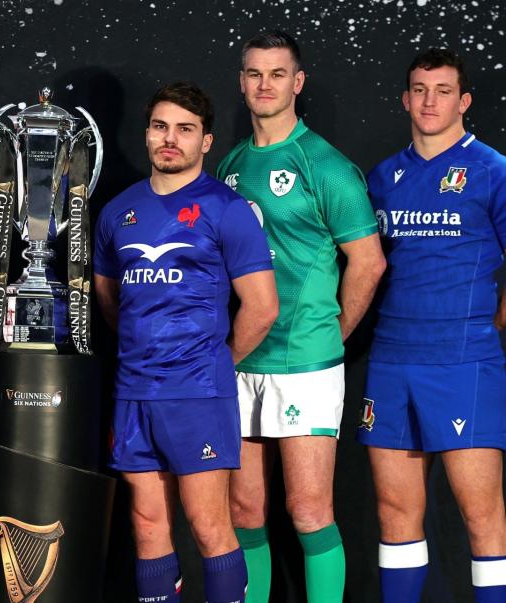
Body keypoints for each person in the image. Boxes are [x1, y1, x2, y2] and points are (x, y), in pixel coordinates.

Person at [216, 30, 386, 603]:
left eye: (278, 74)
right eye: (255, 74)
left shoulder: (326, 166)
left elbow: (368, 261)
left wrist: (329, 337)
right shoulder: (232, 164)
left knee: (308, 509)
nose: (266, 85)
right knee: (243, 507)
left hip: (305, 360)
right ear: (242, 83)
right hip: (242, 358)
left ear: (298, 82)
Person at [94, 81, 278, 603]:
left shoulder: (227, 209)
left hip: (197, 392)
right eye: (160, 127)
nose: (169, 139)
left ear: (206, 142)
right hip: (133, 390)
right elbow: (110, 301)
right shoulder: (117, 212)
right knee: (147, 522)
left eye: (184, 130)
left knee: (208, 524)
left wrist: (214, 363)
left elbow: (262, 307)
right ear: (147, 134)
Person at [358, 48, 506, 602]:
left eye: (443, 90)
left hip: (463, 360)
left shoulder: (492, 171)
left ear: (463, 101)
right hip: (392, 361)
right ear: (404, 98)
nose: (429, 100)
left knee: (481, 516)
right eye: (419, 89)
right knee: (395, 514)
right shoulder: (383, 177)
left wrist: (486, 325)